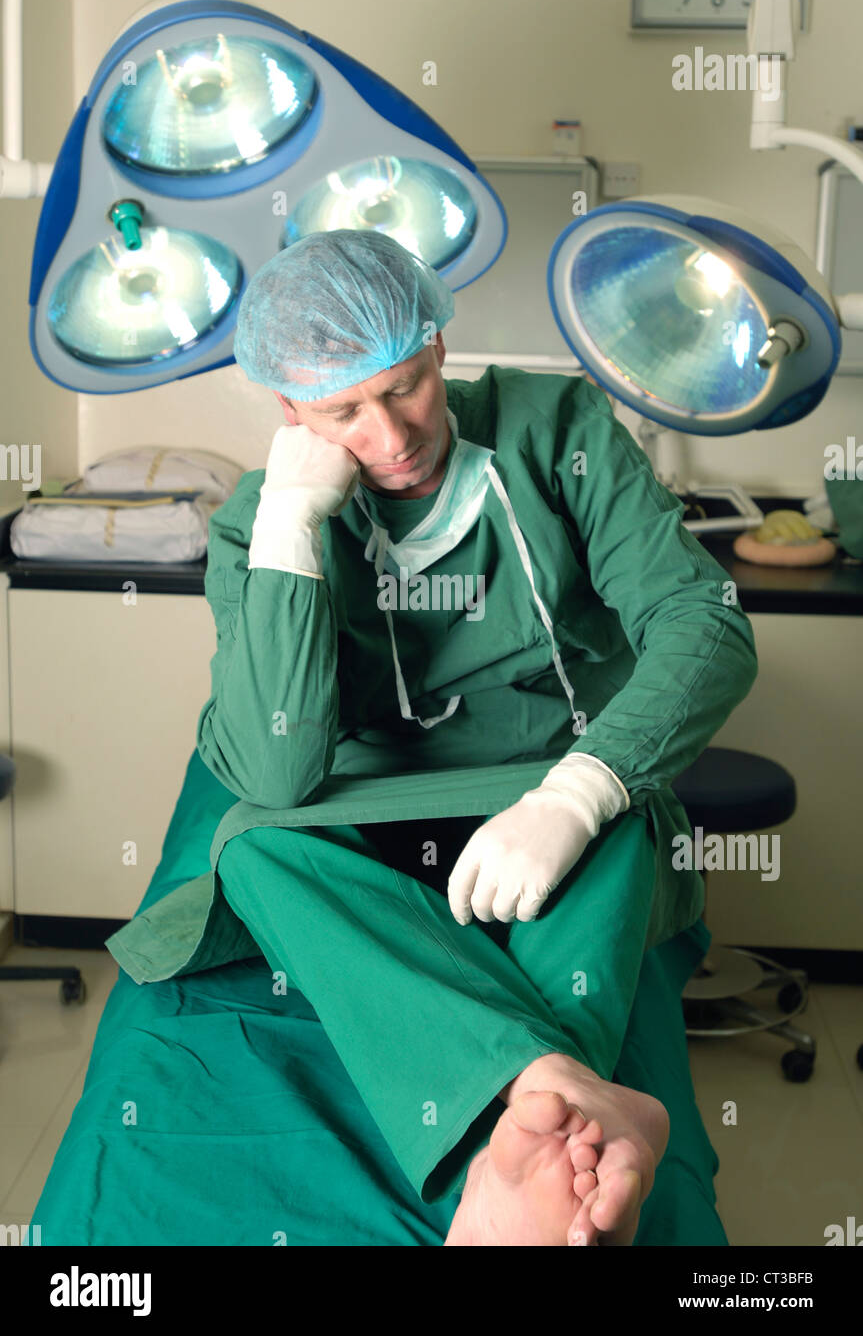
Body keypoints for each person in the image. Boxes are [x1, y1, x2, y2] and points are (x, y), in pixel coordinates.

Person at [110, 228, 759, 1246]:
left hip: (551, 777)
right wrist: (288, 526)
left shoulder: (558, 429)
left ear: (439, 350)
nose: (393, 434)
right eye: (342, 412)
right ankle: (558, 1103)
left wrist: (577, 790)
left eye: (405, 386)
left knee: (625, 831)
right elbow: (277, 764)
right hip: (369, 809)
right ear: (290, 414)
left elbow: (702, 623)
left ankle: (526, 1152)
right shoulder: (260, 523)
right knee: (255, 847)